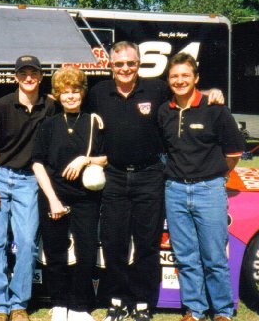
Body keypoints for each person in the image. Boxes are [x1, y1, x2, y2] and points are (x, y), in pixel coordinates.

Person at [89, 41, 225, 321]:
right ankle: (117, 301)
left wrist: (213, 92)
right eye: (119, 64)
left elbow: (186, 95)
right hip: (113, 176)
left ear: (139, 63)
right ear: (110, 66)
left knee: (147, 244)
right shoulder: (98, 93)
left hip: (149, 176)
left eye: (130, 63)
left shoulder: (156, 89)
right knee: (114, 242)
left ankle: (142, 303)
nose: (125, 68)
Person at [158, 53, 245, 321]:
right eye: (174, 76)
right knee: (185, 257)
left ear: (196, 78)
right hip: (174, 191)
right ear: (168, 80)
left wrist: (215, 176)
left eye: (185, 75)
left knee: (214, 256)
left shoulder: (215, 109)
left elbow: (234, 153)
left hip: (209, 191)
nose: (179, 80)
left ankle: (221, 311)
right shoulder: (164, 112)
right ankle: (194, 310)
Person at [0, 55, 55, 321]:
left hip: (29, 181)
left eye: (33, 72)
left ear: (41, 76)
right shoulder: (2, 105)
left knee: (26, 243)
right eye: (23, 73)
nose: (28, 77)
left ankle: (19, 304)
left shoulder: (50, 106)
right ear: (15, 77)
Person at [32, 67, 107, 321]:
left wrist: (85, 160)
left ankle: (78, 307)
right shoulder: (49, 124)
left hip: (86, 197)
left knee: (86, 251)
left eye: (75, 91)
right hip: (54, 195)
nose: (71, 96)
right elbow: (37, 163)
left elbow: (108, 158)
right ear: (58, 95)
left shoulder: (94, 121)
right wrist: (52, 199)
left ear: (82, 93)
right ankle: (59, 304)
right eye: (65, 92)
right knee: (55, 251)